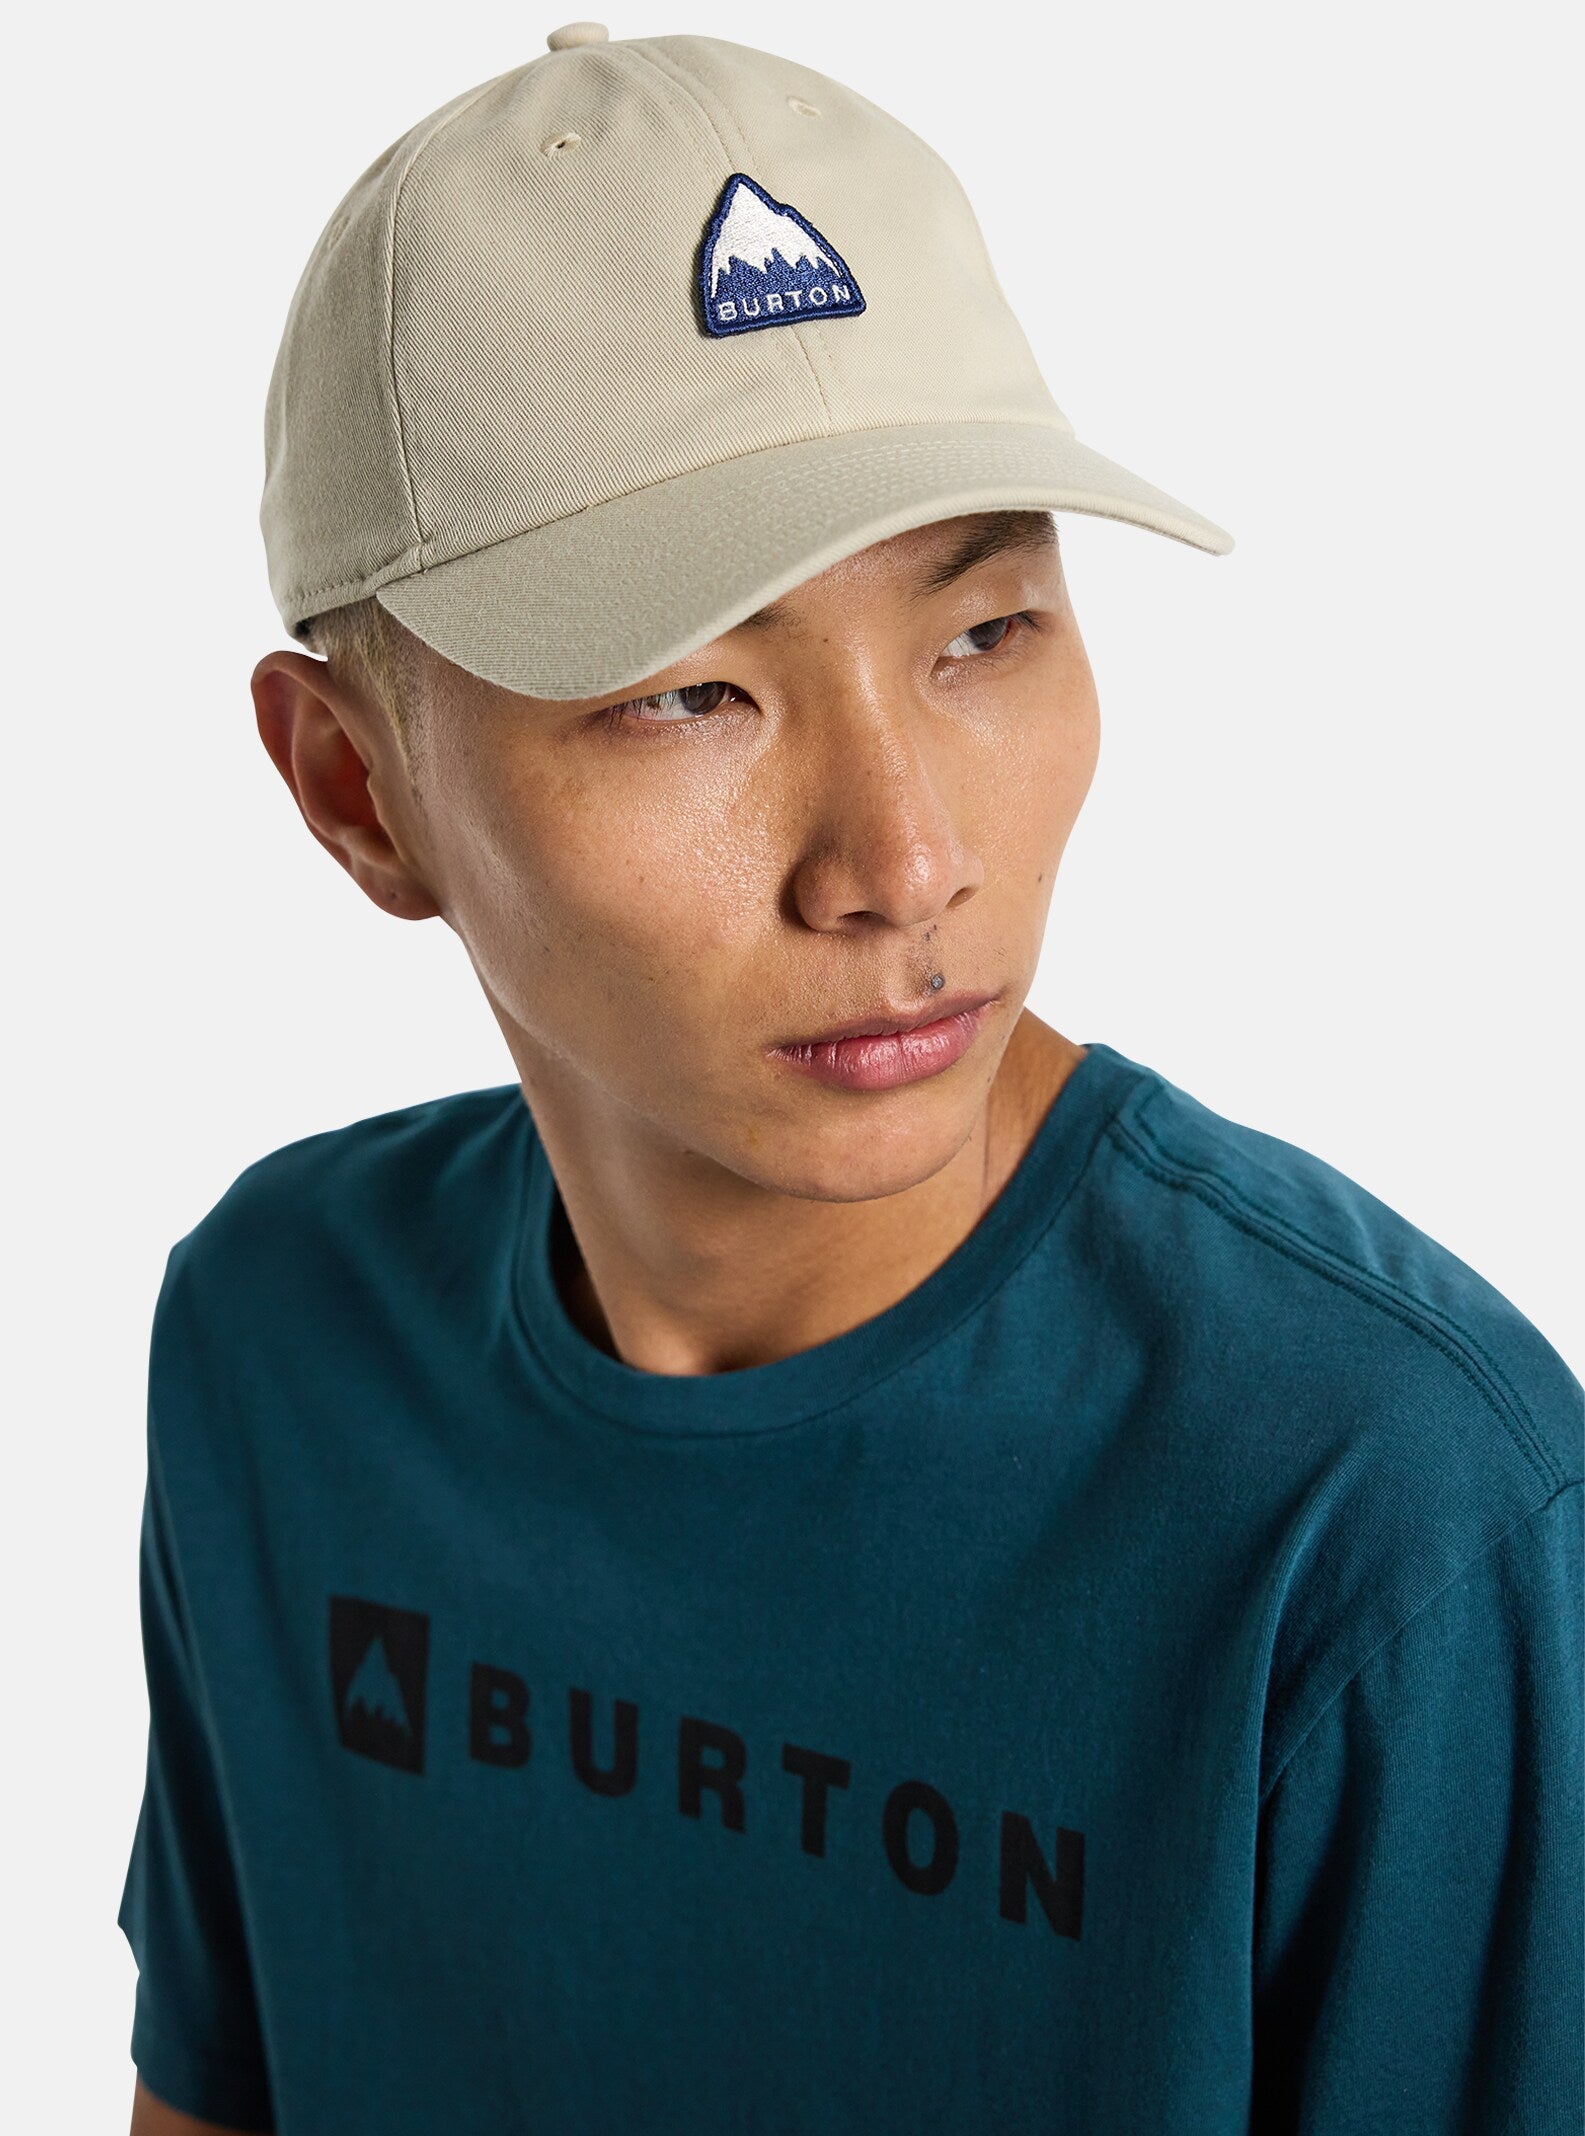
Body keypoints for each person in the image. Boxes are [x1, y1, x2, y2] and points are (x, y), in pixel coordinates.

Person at [117, 21, 1582, 2136]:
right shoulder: (281, 1340)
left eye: (981, 635)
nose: (903, 862)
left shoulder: (1378, 1508)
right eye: (690, 692)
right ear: (358, 790)